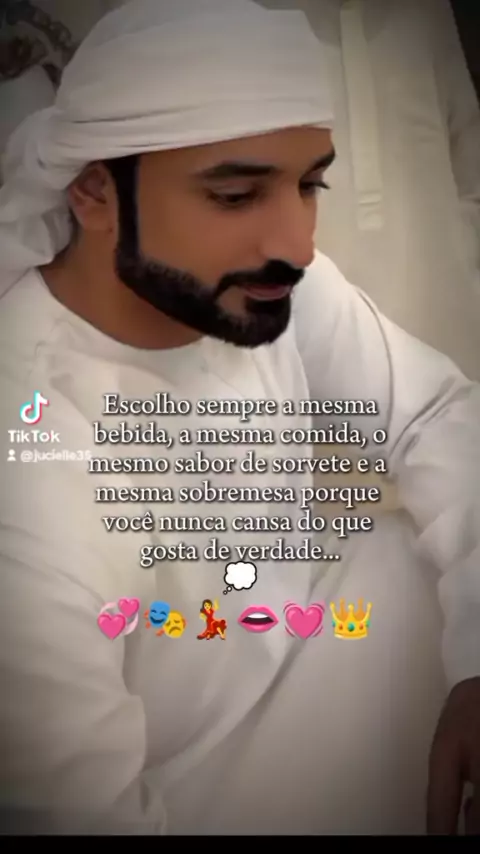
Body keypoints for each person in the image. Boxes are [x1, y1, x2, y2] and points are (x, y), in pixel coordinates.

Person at [0, 0, 478, 836]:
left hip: (312, 657)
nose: (297, 243)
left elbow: (435, 414)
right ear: (94, 192)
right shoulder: (33, 458)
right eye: (235, 194)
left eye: (309, 183)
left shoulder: (264, 287)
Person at [261, 0, 480, 380]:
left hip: (450, 338)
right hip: (303, 350)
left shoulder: (425, 12)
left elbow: (468, 165)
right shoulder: (236, 18)